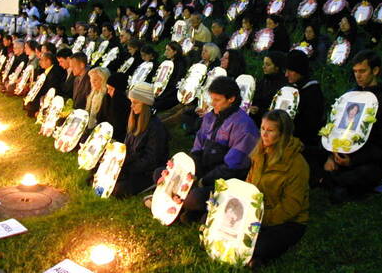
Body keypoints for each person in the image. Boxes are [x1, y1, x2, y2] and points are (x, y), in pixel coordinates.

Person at [160, 77, 259, 222]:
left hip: (223, 182)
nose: (212, 103)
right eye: (212, 99)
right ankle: (188, 209)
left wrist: (203, 181)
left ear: (231, 99)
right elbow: (197, 148)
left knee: (194, 197)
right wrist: (191, 172)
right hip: (203, 172)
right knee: (162, 174)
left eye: (217, 100)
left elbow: (232, 167)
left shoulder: (244, 126)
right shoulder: (210, 117)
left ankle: (190, 208)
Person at [322, 50, 382, 203]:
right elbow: (334, 127)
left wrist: (353, 160)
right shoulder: (350, 96)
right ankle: (336, 180)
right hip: (342, 154)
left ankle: (334, 181)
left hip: (368, 160)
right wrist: (331, 155)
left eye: (362, 71)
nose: (358, 76)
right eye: (355, 71)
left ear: (375, 70)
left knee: (363, 174)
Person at [246, 109, 309, 266]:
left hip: (287, 221)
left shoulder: (296, 163)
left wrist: (262, 220)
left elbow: (291, 207)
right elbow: (249, 185)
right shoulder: (259, 153)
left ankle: (258, 255)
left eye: (270, 130)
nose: (264, 134)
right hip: (257, 214)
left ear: (282, 133)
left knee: (262, 245)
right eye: (262, 128)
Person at [112, 82, 169, 197]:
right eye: (131, 102)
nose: (131, 106)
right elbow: (126, 147)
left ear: (145, 104)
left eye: (135, 103)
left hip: (147, 172)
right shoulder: (134, 119)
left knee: (118, 189)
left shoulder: (156, 127)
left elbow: (151, 159)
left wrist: (126, 169)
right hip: (132, 165)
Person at [285, 50, 325, 148]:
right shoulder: (291, 88)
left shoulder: (312, 92)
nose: (286, 74)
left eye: (290, 71)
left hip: (304, 144)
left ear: (300, 70)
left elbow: (311, 124)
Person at [250, 52, 287, 125]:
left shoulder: (283, 85)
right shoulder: (263, 81)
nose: (263, 67)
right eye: (264, 64)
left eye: (268, 64)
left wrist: (259, 110)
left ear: (277, 67)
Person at [25, 52, 66, 117]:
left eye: (41, 60)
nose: (40, 62)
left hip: (51, 95)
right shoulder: (43, 70)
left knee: (32, 103)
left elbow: (51, 88)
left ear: (48, 61)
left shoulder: (55, 72)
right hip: (43, 93)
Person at [96, 72, 131, 142]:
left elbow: (119, 127)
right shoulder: (107, 98)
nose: (108, 92)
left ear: (118, 90)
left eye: (111, 89)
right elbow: (100, 118)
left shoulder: (124, 104)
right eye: (107, 88)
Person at [154, 42, 187, 113]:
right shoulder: (167, 62)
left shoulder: (180, 65)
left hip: (171, 93)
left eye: (168, 50)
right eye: (166, 49)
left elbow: (176, 83)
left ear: (175, 52)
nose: (166, 52)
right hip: (162, 89)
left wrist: (162, 92)